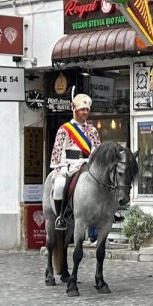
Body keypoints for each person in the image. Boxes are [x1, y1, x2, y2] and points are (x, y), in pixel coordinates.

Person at [49, 93, 101, 233]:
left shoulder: (92, 130)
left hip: (88, 165)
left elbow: (97, 150)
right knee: (59, 185)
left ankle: (106, 214)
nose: (85, 112)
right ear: (75, 110)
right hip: (69, 165)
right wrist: (63, 166)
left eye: (87, 110)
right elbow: (58, 150)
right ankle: (61, 215)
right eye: (82, 109)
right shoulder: (64, 129)